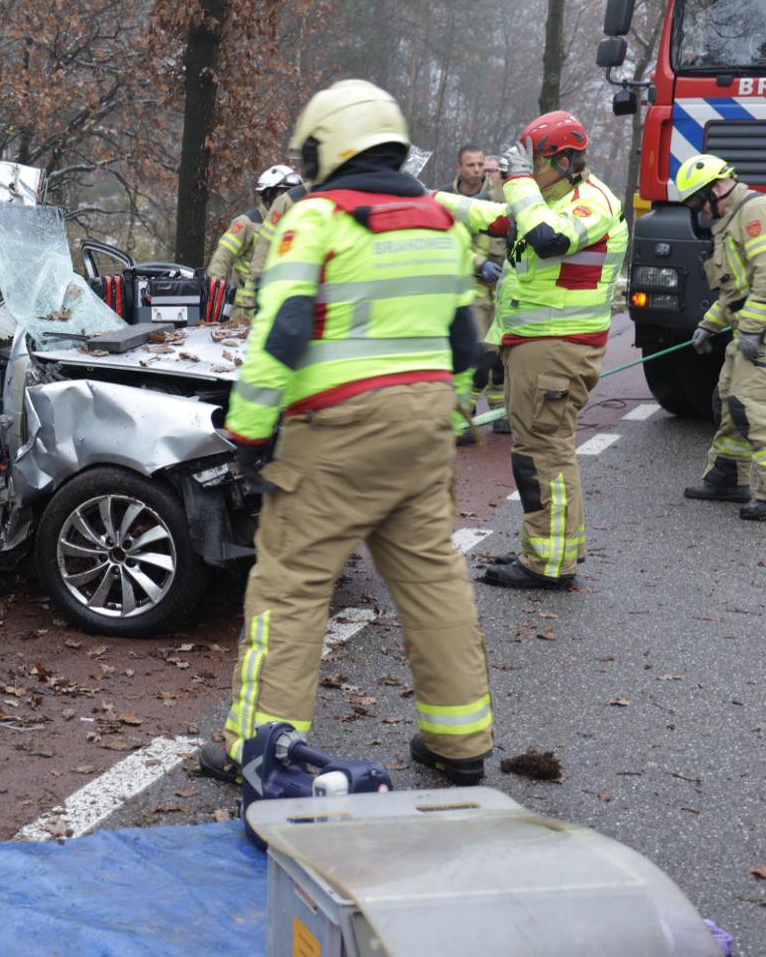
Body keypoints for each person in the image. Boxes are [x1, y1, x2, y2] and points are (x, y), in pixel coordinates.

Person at [197, 79, 495, 789]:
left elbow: (281, 335)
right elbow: (465, 341)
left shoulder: (316, 219)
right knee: (433, 581)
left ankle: (257, 747)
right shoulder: (441, 222)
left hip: (334, 432)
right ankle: (460, 741)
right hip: (423, 432)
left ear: (329, 148)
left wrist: (249, 433)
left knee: (291, 587)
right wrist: (447, 409)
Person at [474, 111, 627, 589]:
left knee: (542, 454)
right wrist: (424, 199)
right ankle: (553, 548)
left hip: (558, 350)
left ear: (563, 161)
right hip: (542, 347)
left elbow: (548, 240)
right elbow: (489, 217)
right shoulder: (549, 199)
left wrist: (518, 182)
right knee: (543, 450)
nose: (523, 171)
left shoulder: (591, 202)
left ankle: (547, 563)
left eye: (532, 162)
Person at [674, 154, 766, 518]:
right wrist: (709, 325)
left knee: (749, 405)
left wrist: (754, 330)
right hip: (747, 329)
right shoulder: (731, 220)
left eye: (699, 201)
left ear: (717, 187)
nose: (701, 211)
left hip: (758, 333)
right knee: (729, 400)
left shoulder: (754, 212)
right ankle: (728, 477)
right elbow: (735, 292)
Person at [444, 146, 510, 440]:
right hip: (472, 285)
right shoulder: (452, 199)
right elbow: (453, 243)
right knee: (476, 353)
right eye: (471, 165)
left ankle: (500, 413)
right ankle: (463, 416)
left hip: (502, 288)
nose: (479, 170)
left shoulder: (500, 198)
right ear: (459, 167)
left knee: (500, 355)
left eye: (482, 165)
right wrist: (480, 264)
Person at [209, 165, 303, 289]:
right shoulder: (247, 223)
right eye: (284, 193)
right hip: (245, 298)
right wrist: (215, 291)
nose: (288, 199)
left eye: (291, 194)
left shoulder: (293, 226)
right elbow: (222, 257)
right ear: (269, 193)